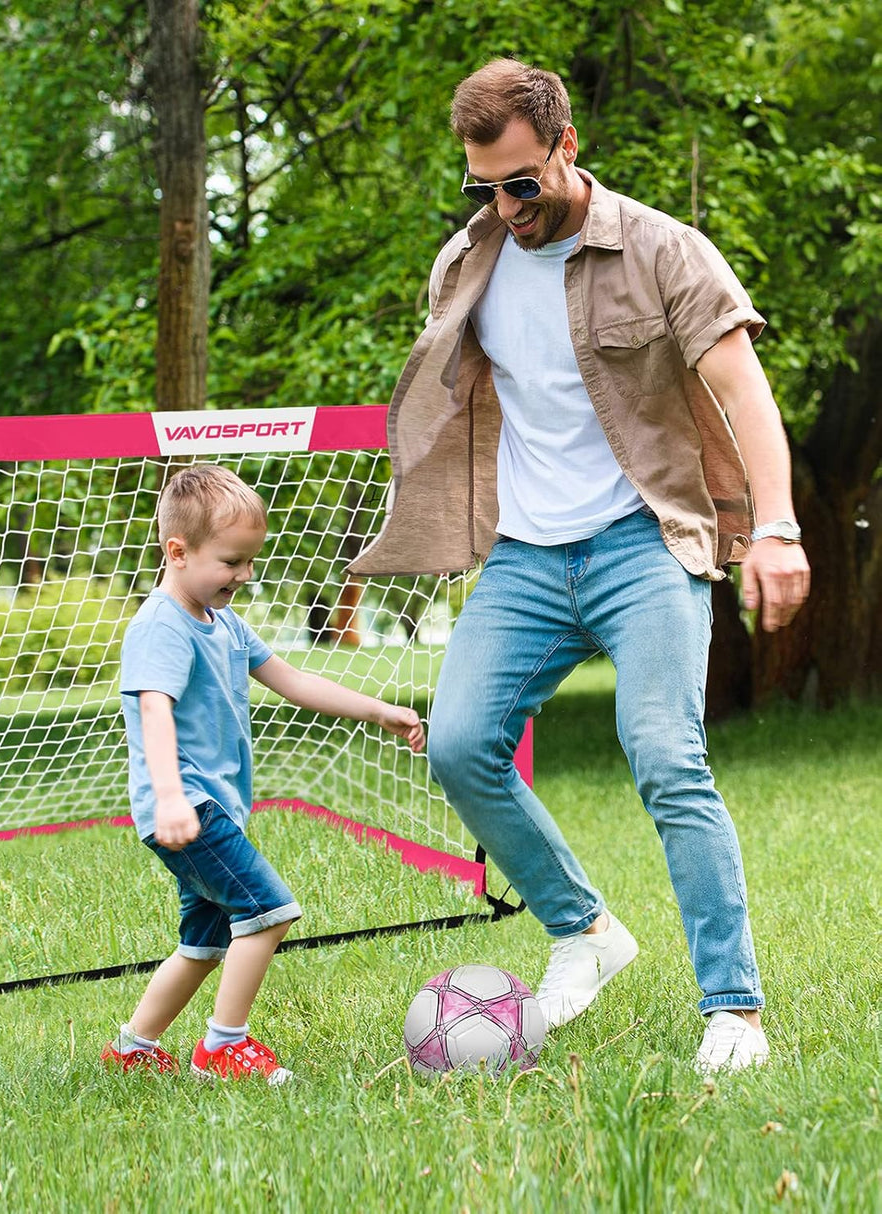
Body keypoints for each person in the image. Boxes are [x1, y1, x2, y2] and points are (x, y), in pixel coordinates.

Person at [349, 59, 810, 1073]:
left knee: (662, 753)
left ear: (564, 148)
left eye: (521, 181)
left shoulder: (659, 250)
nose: (504, 206)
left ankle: (732, 1012)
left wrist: (772, 526)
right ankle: (585, 926)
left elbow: (743, 390)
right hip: (524, 553)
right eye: (482, 186)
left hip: (640, 542)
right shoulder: (462, 263)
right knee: (460, 743)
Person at [102, 464, 425, 1083]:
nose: (244, 576)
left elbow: (295, 682)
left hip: (211, 807)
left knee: (205, 943)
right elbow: (153, 712)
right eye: (230, 562)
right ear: (177, 552)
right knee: (269, 912)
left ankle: (133, 1047)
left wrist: (378, 709)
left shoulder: (223, 622)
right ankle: (224, 1047)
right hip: (188, 807)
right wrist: (170, 796)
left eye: (249, 561)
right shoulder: (160, 628)